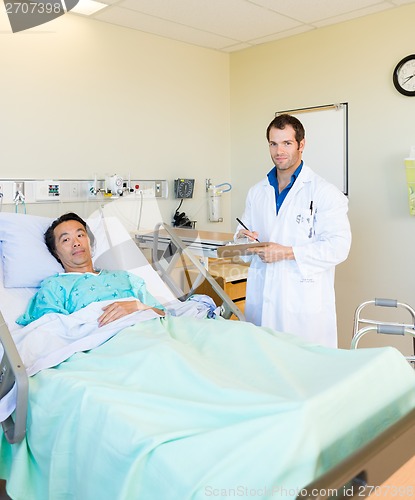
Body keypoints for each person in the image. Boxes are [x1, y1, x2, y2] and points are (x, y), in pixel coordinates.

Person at [236, 114, 351, 348]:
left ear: (301, 144)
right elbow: (242, 239)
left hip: (302, 307)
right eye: (273, 143)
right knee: (264, 368)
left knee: (305, 373)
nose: (279, 151)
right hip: (263, 298)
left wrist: (286, 253)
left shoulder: (324, 193)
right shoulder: (257, 192)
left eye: (287, 143)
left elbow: (338, 247)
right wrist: (241, 239)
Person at [16, 212, 165, 327]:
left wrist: (137, 306)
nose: (76, 243)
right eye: (66, 239)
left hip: (149, 332)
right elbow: (50, 330)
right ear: (56, 253)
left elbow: (163, 314)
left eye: (80, 235)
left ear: (89, 242)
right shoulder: (54, 286)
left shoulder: (125, 278)